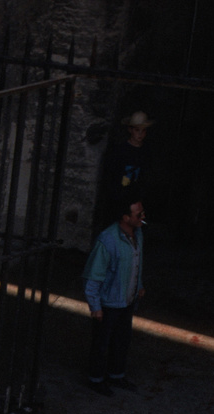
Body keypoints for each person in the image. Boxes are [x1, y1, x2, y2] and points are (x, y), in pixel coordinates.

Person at [81, 191, 146, 396]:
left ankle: (116, 375)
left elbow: (135, 264)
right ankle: (96, 379)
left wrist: (139, 286)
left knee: (121, 341)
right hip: (109, 302)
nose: (142, 217)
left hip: (126, 301)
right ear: (126, 218)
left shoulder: (138, 235)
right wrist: (95, 306)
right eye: (138, 215)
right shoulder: (108, 240)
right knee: (102, 343)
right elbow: (94, 275)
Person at [100, 110, 154, 199]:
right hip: (117, 196)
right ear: (130, 130)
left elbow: (146, 176)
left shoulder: (146, 151)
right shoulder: (119, 149)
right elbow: (111, 175)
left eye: (143, 130)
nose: (140, 134)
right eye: (137, 130)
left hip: (136, 197)